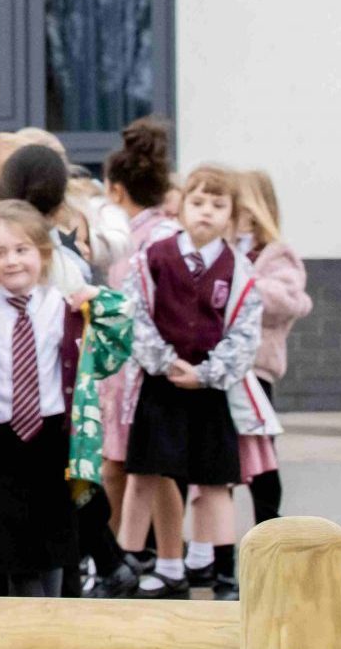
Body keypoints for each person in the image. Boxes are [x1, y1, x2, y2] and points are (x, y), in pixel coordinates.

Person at [0, 201, 130, 597]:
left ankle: (51, 619)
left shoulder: (65, 307)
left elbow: (122, 336)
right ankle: (33, 628)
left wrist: (97, 296)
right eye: (0, 252)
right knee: (14, 553)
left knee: (53, 547)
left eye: (22, 250)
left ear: (43, 255)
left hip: (51, 439)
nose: (11, 261)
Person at [122, 165, 267, 600]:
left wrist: (205, 373)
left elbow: (245, 331)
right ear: (181, 206)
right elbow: (136, 313)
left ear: (234, 216)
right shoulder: (154, 257)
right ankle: (125, 562)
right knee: (144, 475)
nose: (206, 212)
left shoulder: (239, 270)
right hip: (161, 383)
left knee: (214, 481)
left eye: (218, 205)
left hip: (209, 390)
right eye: (198, 202)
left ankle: (225, 572)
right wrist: (166, 364)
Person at [97, 115, 176, 595]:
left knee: (118, 468)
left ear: (116, 190)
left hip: (135, 370)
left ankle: (115, 558)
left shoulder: (135, 242)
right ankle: (169, 560)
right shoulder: (171, 232)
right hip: (154, 369)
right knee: (154, 471)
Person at [243, 168, 308, 528]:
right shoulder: (223, 247)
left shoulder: (276, 254)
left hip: (256, 367)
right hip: (216, 366)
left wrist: (241, 281)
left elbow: (286, 300)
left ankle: (268, 524)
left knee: (261, 451)